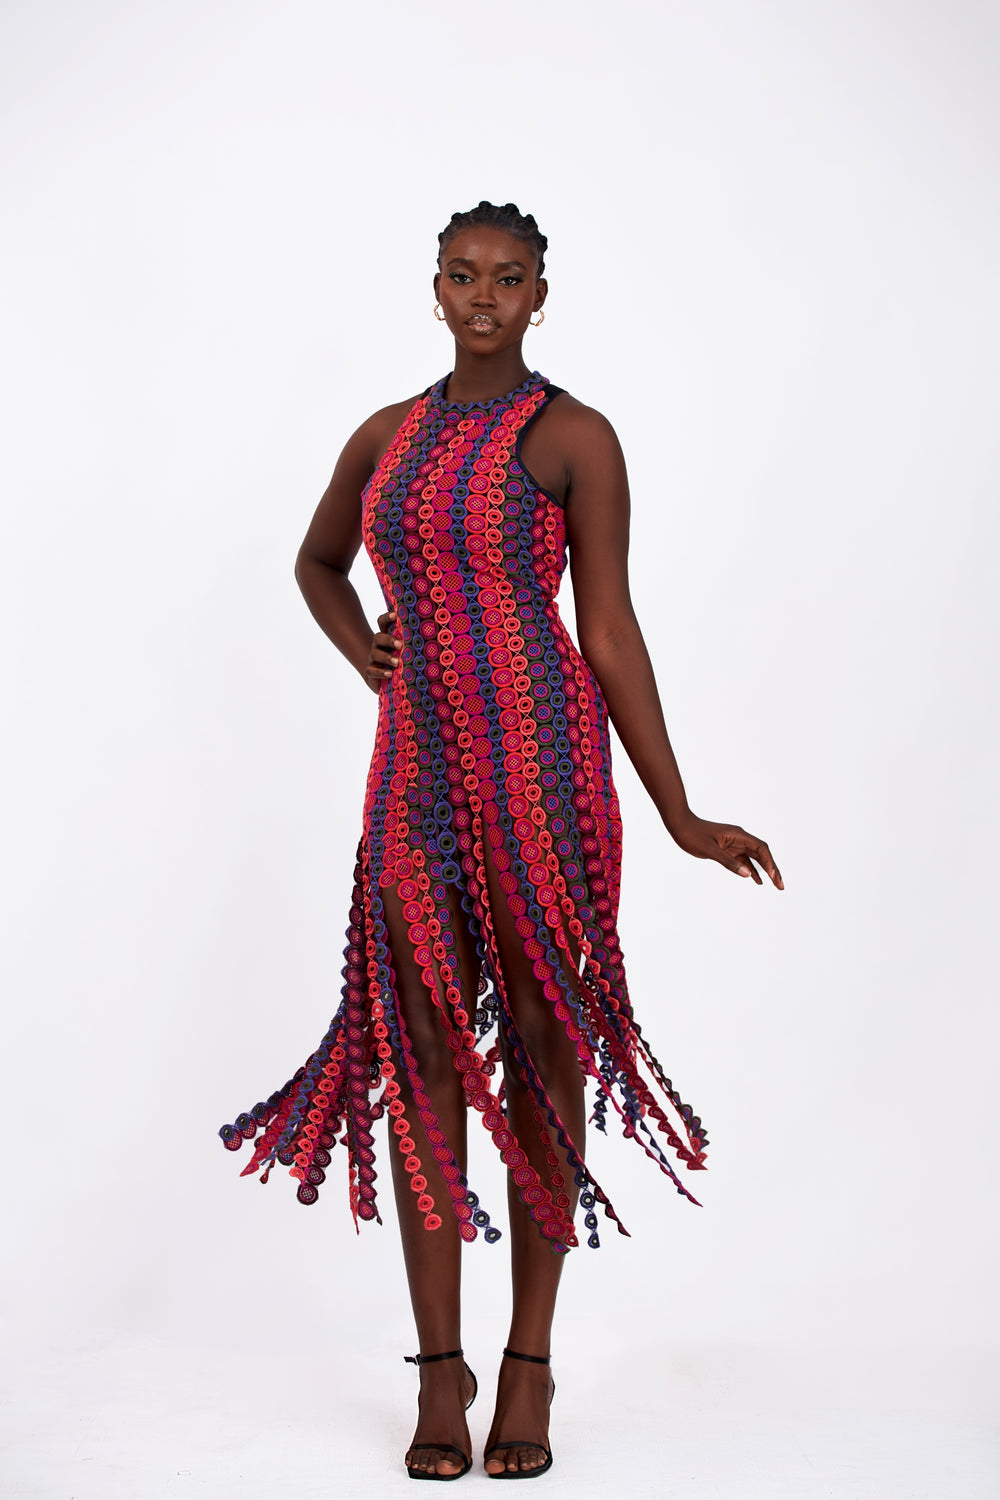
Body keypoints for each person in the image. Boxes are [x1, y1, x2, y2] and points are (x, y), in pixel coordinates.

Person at [220, 200, 783, 1482]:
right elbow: (316, 563)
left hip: (543, 764)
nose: (484, 296)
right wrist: (363, 649)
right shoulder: (386, 435)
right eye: (462, 275)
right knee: (419, 1044)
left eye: (509, 277)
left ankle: (528, 1363)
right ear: (433, 288)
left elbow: (610, 628)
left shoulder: (574, 436)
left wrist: (678, 810)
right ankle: (440, 1370)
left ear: (540, 295)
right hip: (415, 770)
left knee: (540, 1042)